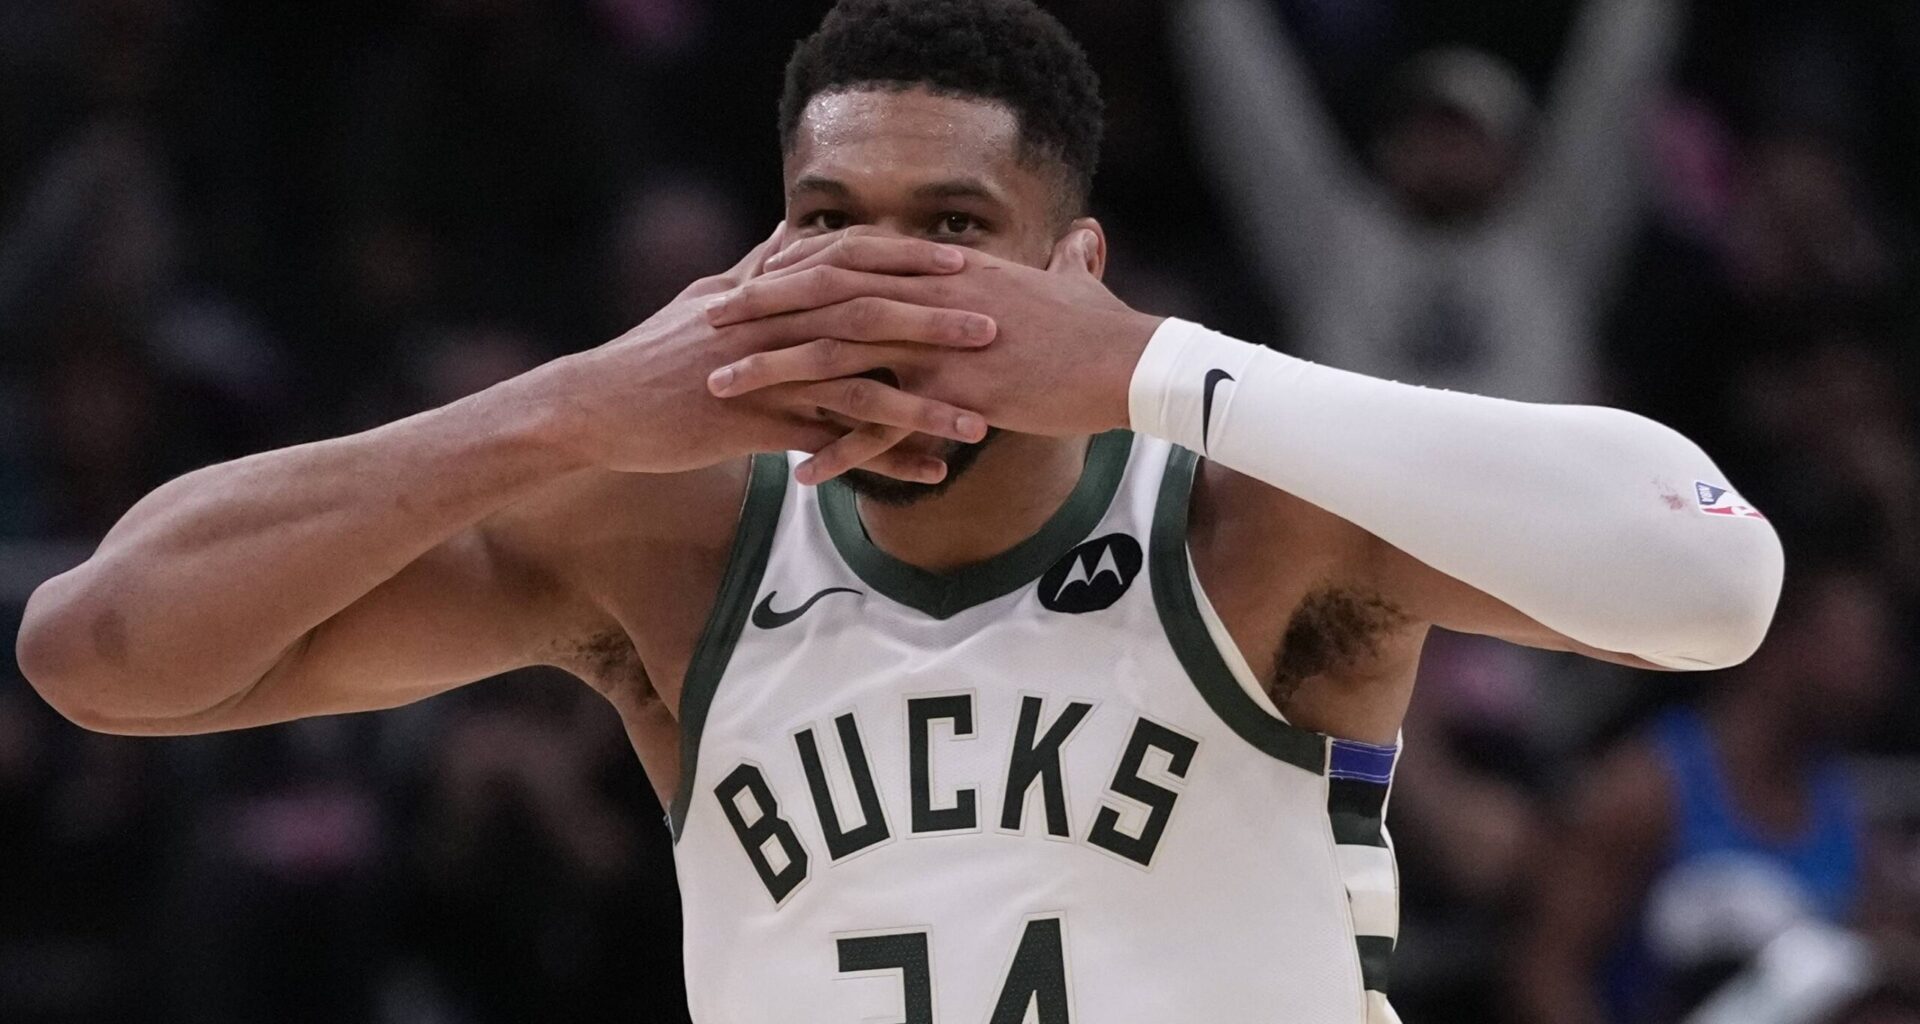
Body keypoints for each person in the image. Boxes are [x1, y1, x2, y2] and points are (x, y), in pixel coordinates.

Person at [16, 1, 1784, 1021]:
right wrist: (562, 405)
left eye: (953, 228)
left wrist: (1148, 366)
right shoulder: (670, 544)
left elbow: (1713, 575)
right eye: (831, 215)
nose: (882, 271)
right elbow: (101, 651)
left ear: (1070, 267)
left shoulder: (1258, 512)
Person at [1174, 0, 1680, 403]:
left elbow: (1617, 79)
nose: (1444, 153)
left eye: (1466, 134)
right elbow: (1248, 104)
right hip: (1365, 510)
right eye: (1426, 132)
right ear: (1388, 149)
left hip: (1518, 513)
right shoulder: (1336, 243)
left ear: (1511, 157)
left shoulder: (1552, 243)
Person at [1511, 564, 1892, 1024]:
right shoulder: (1646, 787)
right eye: (1853, 644)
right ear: (1782, 641)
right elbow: (1546, 973)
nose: (1874, 671)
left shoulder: (1844, 807)